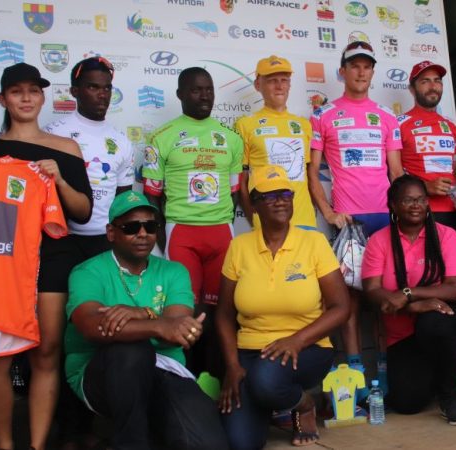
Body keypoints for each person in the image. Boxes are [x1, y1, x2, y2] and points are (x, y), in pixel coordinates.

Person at [0, 62, 92, 450]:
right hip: (1, 262)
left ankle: (37, 445)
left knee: (47, 352)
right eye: (16, 91)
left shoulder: (66, 149)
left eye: (34, 91)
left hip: (55, 256)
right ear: (3, 98)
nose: (26, 98)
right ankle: (6, 444)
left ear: (43, 97)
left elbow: (83, 212)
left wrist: (58, 178)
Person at [65, 190, 227, 450]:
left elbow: (178, 328)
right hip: (101, 374)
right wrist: (157, 324)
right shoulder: (88, 271)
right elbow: (92, 326)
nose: (142, 234)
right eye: (131, 227)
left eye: (150, 226)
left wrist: (144, 314)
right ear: (111, 233)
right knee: (131, 350)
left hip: (165, 369)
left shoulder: (173, 271)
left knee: (208, 444)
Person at [216, 165, 350, 449]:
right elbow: (225, 315)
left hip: (308, 348)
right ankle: (269, 401)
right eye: (270, 195)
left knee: (266, 379)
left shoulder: (313, 242)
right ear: (253, 204)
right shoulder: (239, 247)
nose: (280, 200)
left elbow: (341, 307)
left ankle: (303, 404)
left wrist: (297, 340)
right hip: (250, 353)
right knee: (240, 443)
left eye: (286, 194)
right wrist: (232, 365)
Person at [43, 56, 134, 449]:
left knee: (105, 330)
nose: (101, 94)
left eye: (107, 88)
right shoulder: (55, 132)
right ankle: (68, 427)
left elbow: (122, 199)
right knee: (64, 337)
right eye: (94, 87)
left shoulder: (122, 140)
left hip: (104, 243)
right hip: (63, 240)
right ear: (75, 91)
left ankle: (105, 421)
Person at [142, 67, 244, 380]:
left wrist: (221, 218)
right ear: (180, 94)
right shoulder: (161, 137)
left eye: (209, 90)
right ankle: (186, 378)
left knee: (220, 310)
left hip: (221, 232)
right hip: (180, 232)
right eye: (196, 90)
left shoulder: (231, 139)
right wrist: (162, 237)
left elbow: (235, 191)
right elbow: (152, 198)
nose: (204, 96)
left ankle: (217, 378)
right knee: (185, 310)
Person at [307, 40, 402, 377]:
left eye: (367, 66)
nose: (361, 72)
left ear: (373, 72)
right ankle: (356, 374)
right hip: (349, 221)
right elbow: (312, 172)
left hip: (384, 217)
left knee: (386, 297)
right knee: (349, 301)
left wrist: (402, 212)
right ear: (342, 71)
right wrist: (329, 213)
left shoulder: (388, 116)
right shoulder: (323, 114)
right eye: (355, 65)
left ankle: (388, 372)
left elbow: (397, 172)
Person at [361, 174, 456, 425]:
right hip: (402, 329)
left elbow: (455, 289)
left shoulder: (446, 235)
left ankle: (450, 397)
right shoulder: (379, 241)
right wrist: (415, 306)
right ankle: (437, 371)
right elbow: (372, 291)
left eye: (421, 199)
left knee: (433, 323)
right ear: (392, 205)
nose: (415, 205)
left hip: (447, 315)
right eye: (408, 200)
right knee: (407, 404)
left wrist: (408, 293)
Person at [235, 55, 316, 231]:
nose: (279, 86)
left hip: (305, 221)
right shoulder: (245, 125)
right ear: (258, 85)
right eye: (272, 81)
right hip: (267, 223)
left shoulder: (304, 125)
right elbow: (242, 180)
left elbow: (311, 176)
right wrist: (255, 218)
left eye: (284, 80)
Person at [397, 61, 456, 244]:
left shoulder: (451, 126)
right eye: (425, 81)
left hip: (452, 212)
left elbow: (454, 171)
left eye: (437, 81)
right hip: (417, 212)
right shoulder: (398, 124)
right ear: (412, 89)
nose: (433, 86)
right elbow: (392, 172)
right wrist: (425, 187)